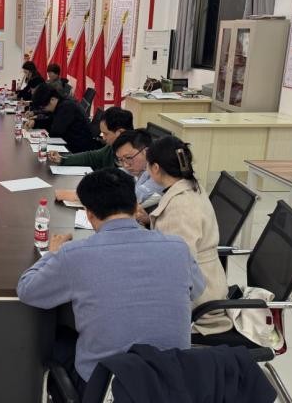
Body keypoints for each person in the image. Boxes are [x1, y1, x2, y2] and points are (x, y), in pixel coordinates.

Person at [17, 168, 204, 397]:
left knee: (53, 339)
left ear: (89, 214)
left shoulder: (74, 255)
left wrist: (53, 253)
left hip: (108, 388)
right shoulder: (177, 248)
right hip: (174, 384)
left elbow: (27, 290)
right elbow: (197, 290)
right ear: (136, 206)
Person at [146, 136, 233, 335]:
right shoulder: (190, 187)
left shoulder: (181, 207)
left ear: (156, 168)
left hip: (198, 302)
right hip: (206, 282)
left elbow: (178, 268)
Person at [49, 106, 134, 169]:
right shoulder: (111, 147)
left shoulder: (135, 156)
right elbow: (91, 157)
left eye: (106, 134)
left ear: (120, 132)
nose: (104, 138)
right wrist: (62, 159)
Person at [25, 83, 95, 153]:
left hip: (77, 150)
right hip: (71, 145)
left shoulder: (66, 107)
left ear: (52, 99)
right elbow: (51, 121)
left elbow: (55, 132)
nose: (44, 110)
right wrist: (35, 122)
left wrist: (39, 124)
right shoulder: (62, 103)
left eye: (44, 107)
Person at [113, 129, 163, 206]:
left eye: (128, 158)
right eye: (120, 160)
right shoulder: (135, 168)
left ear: (147, 152)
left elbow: (132, 199)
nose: (126, 165)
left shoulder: (160, 173)